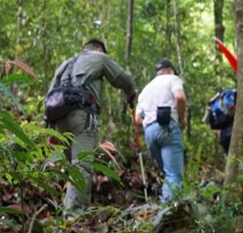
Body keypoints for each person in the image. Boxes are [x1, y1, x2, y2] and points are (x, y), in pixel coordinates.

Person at [46, 39, 136, 213]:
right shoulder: (99, 57)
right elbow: (122, 79)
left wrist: (49, 127)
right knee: (81, 165)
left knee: (72, 167)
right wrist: (131, 93)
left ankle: (70, 210)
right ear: (99, 49)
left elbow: (49, 95)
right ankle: (74, 215)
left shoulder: (65, 64)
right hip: (82, 115)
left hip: (59, 119)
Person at [135, 60, 186, 202]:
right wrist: (181, 119)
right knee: (174, 174)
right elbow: (179, 97)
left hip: (149, 132)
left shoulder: (146, 89)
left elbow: (137, 119)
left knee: (168, 173)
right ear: (170, 70)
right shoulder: (172, 79)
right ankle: (168, 214)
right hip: (167, 127)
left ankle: (167, 205)